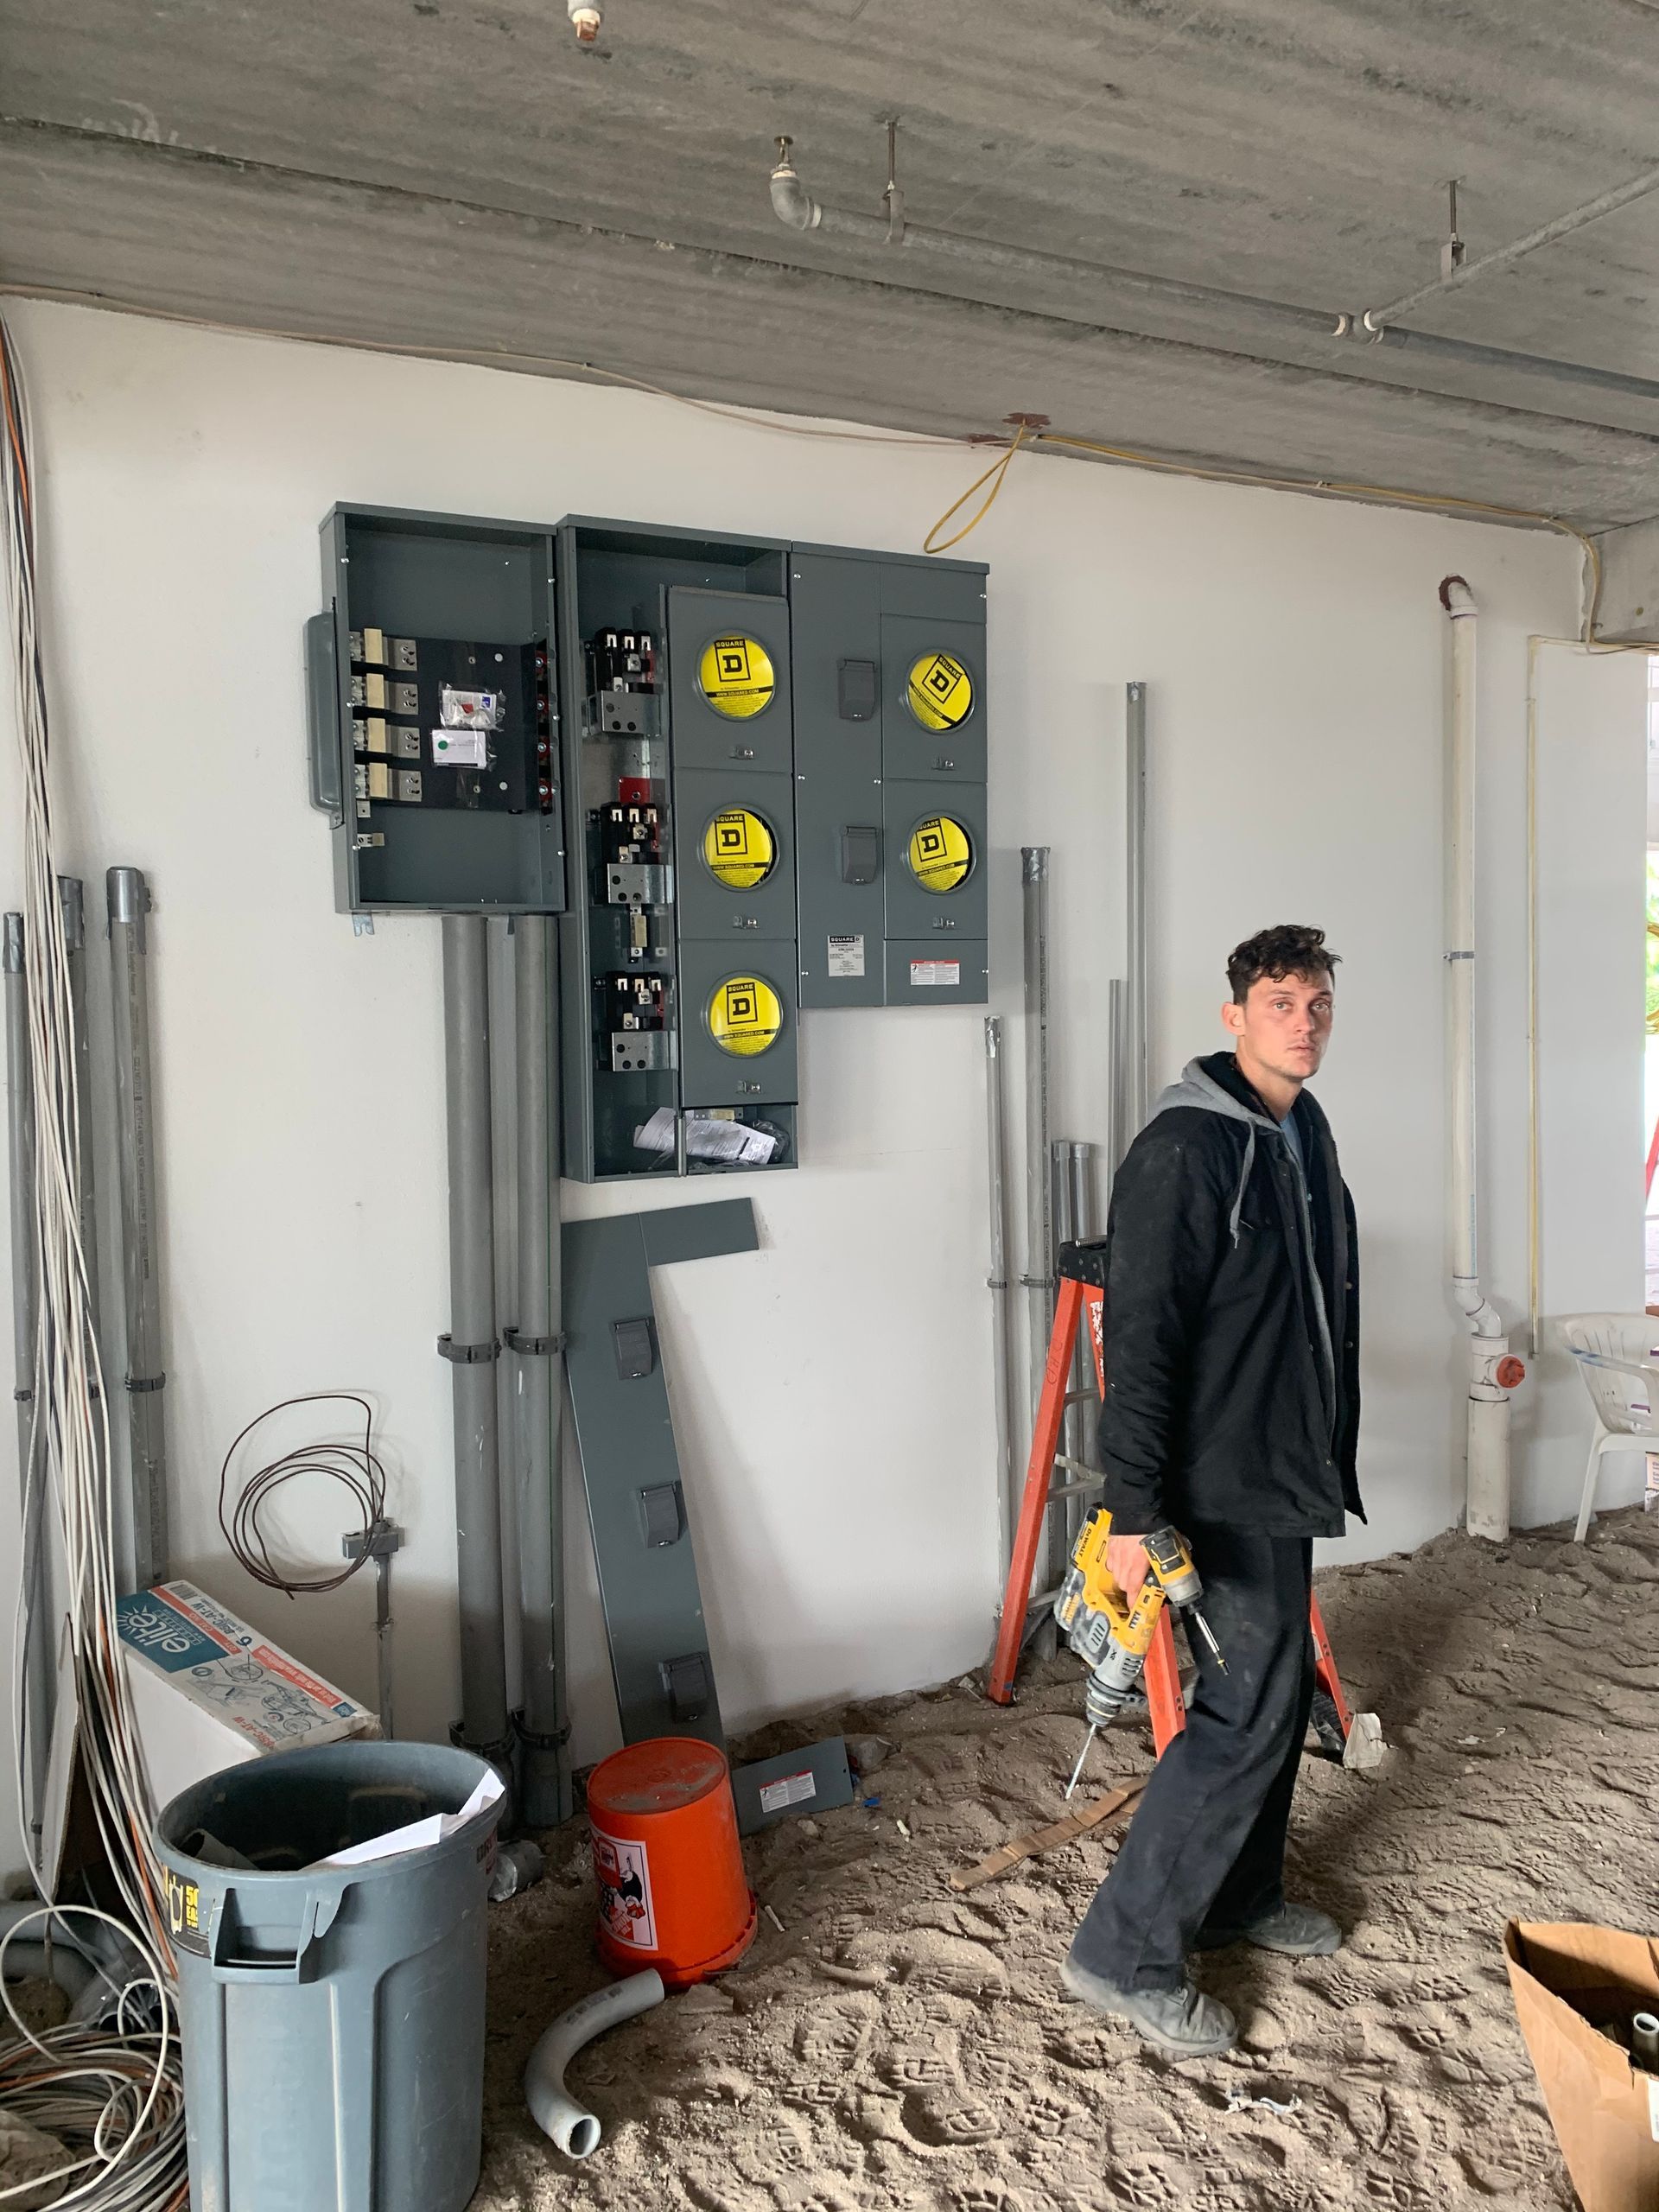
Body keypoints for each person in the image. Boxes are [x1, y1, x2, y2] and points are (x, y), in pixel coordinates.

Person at [1061, 922, 1362, 2059]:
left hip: (1283, 1467)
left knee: (1279, 1704)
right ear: (1233, 1015)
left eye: (1318, 1001)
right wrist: (1136, 1510)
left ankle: (1238, 1895)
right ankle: (1123, 1951)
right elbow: (1141, 1343)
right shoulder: (1188, 1148)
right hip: (1215, 1477)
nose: (1304, 1019)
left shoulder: (1301, 1126)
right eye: (1281, 1001)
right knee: (1237, 1717)